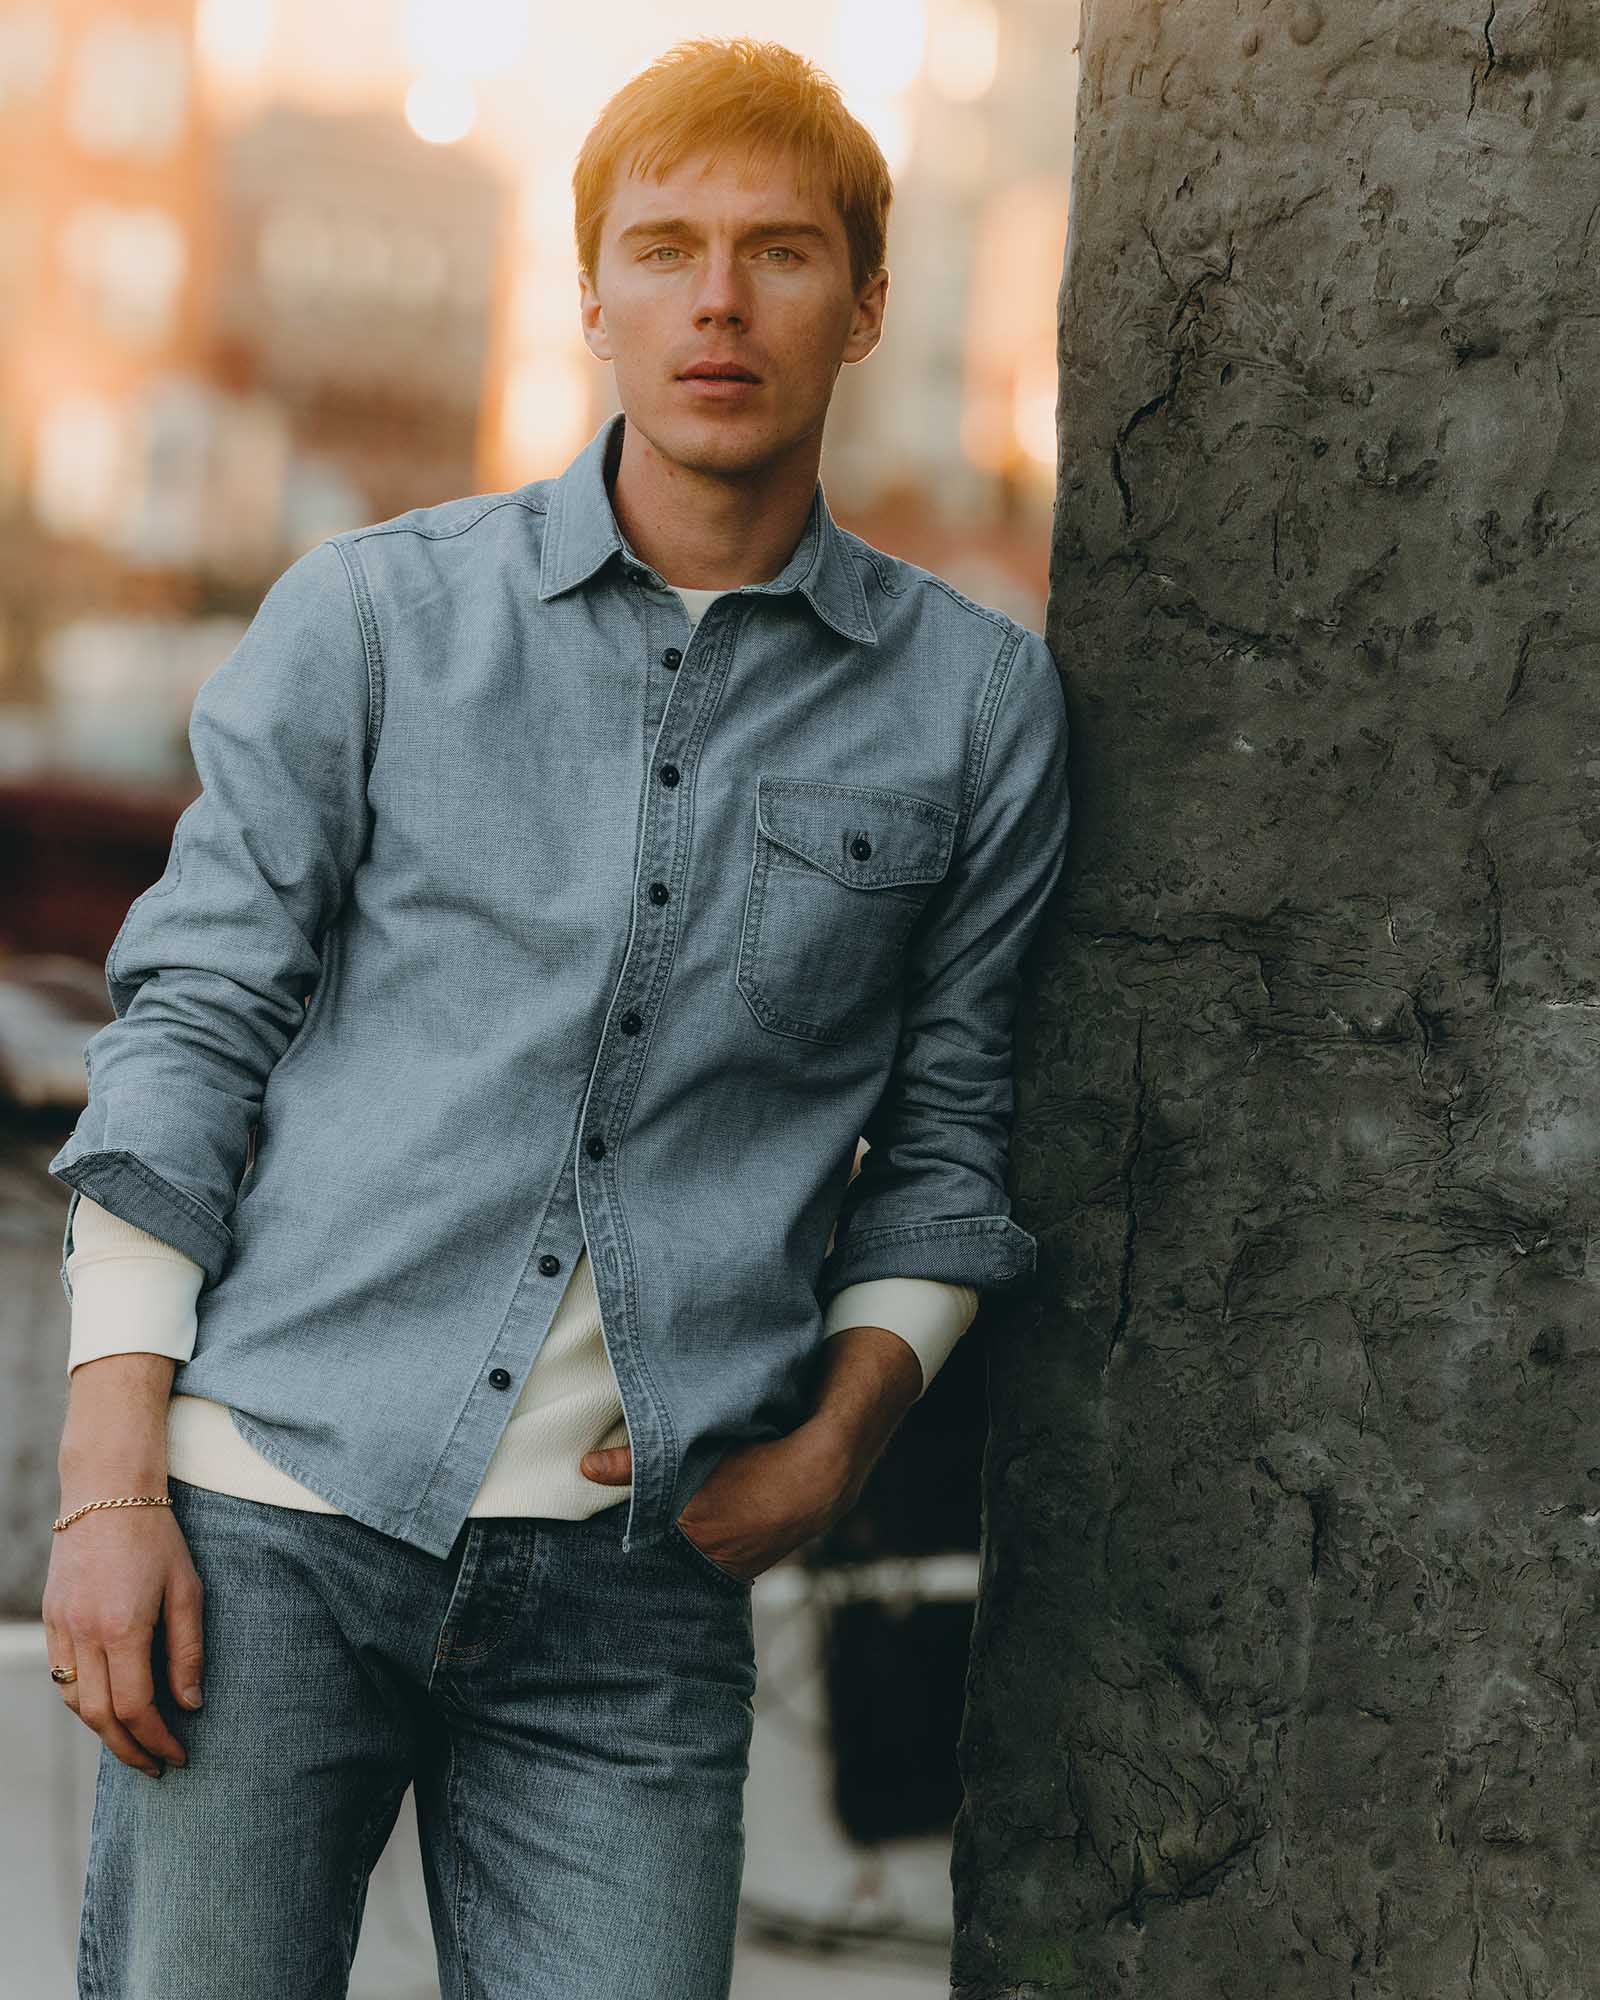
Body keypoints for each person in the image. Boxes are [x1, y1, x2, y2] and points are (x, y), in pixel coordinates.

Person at [41, 33, 1071, 2000]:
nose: (714, 300)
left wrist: (840, 1439)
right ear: (585, 292)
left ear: (864, 298)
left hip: (635, 1587)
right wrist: (107, 1492)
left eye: (774, 251)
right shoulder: (369, 621)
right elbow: (186, 1036)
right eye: (663, 246)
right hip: (272, 1523)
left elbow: (951, 1127)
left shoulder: (967, 707)